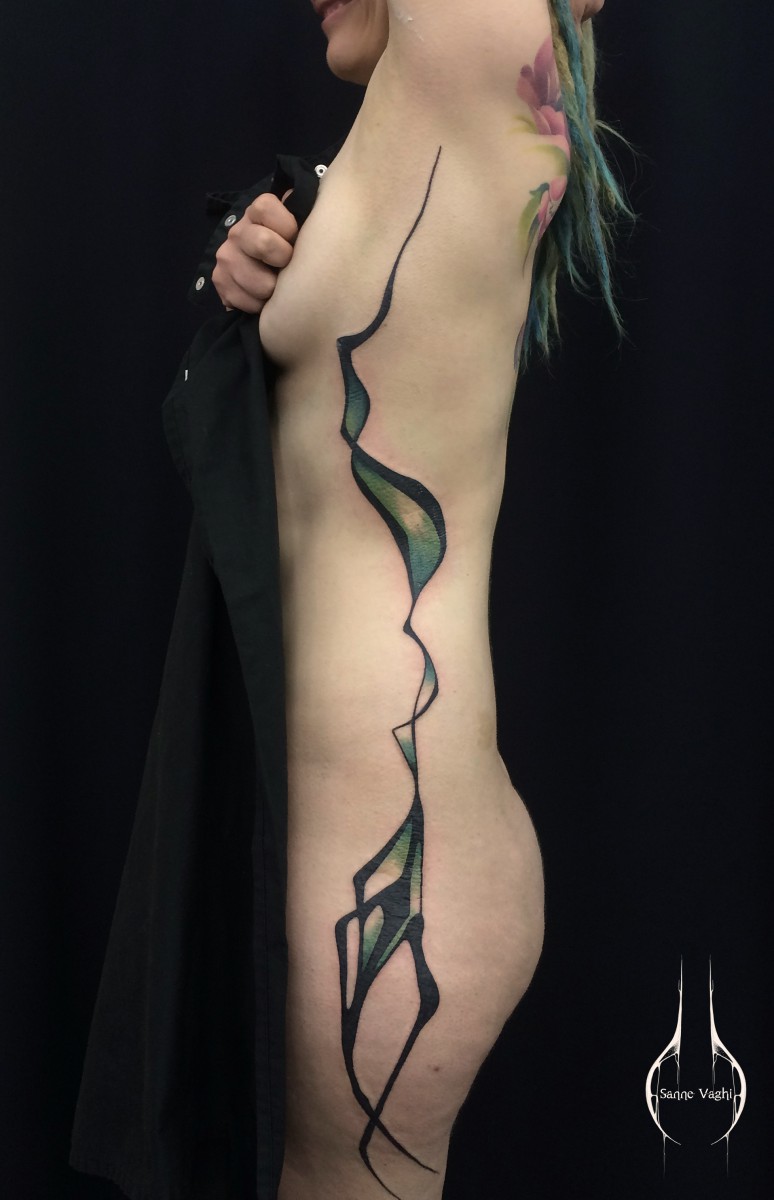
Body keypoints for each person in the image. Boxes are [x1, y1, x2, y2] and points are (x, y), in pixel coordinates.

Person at [210, 3, 632, 1199]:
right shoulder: (400, 154)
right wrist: (251, 266)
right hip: (362, 856)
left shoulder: (471, 72)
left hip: (401, 873)